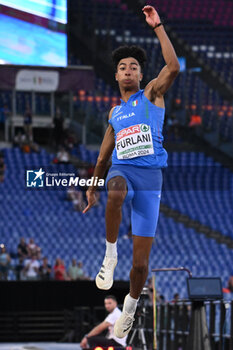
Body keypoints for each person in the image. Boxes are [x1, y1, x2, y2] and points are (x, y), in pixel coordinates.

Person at [83, 5, 179, 338]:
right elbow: (103, 158)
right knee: (117, 189)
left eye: (133, 67)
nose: (127, 71)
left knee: (140, 266)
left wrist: (158, 27)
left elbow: (174, 66)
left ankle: (131, 306)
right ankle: (110, 255)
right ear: (116, 75)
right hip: (123, 171)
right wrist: (94, 186)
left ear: (140, 75)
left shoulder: (152, 94)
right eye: (122, 67)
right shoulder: (114, 113)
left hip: (151, 179)